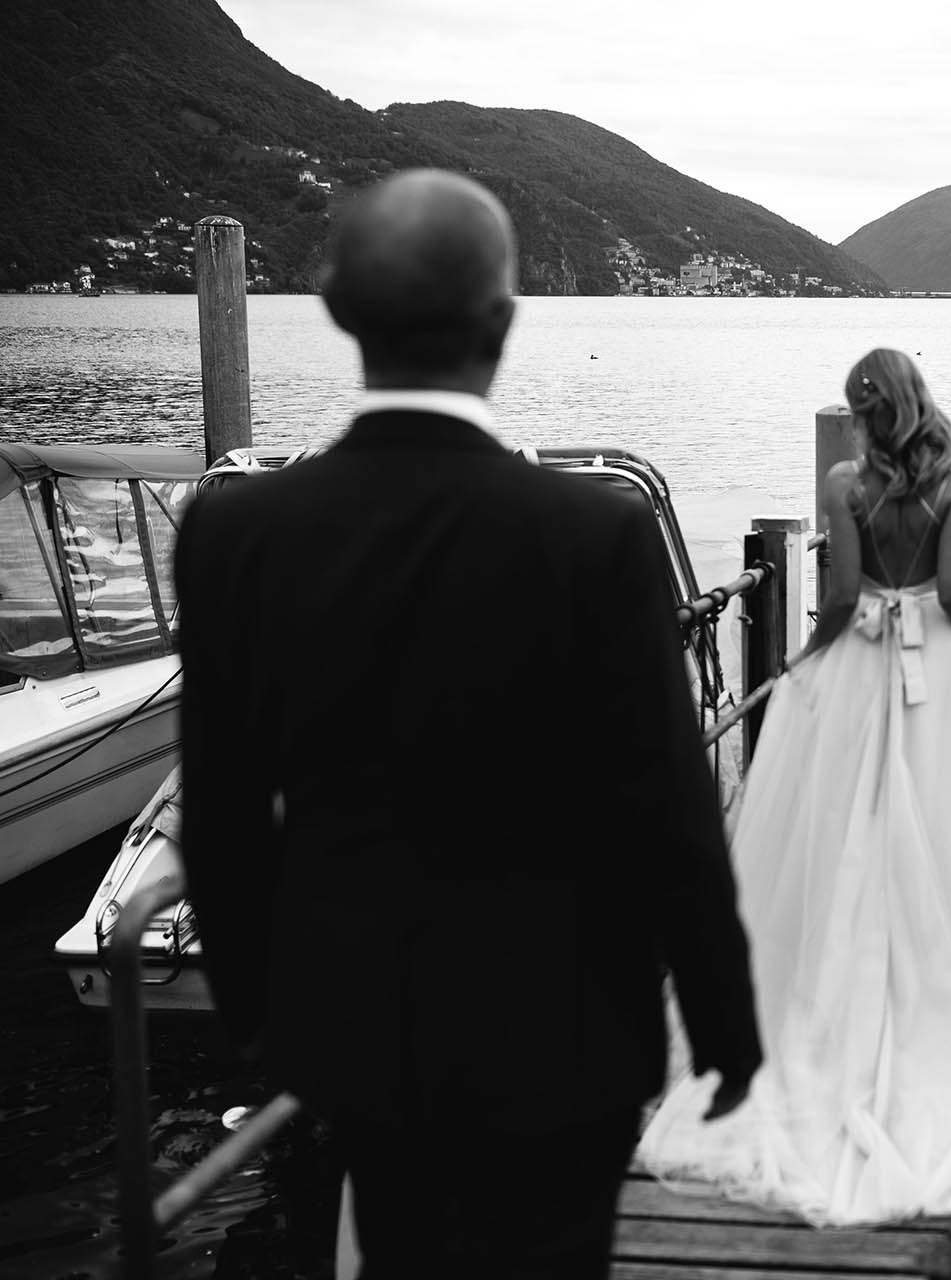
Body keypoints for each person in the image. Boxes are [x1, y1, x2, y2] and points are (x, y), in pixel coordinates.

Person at [175, 169, 762, 1277]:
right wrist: (725, 1025)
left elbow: (225, 816)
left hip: (353, 1033)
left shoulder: (237, 532)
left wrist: (269, 1018)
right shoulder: (593, 532)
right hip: (566, 1027)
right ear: (502, 322)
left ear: (339, 311)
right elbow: (668, 809)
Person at [637, 348, 951, 1225]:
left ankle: (822, 999)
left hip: (862, 663)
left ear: (863, 414)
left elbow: (844, 599)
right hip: (933, 657)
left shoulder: (844, 483)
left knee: (844, 817)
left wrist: (801, 666)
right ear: (919, 401)